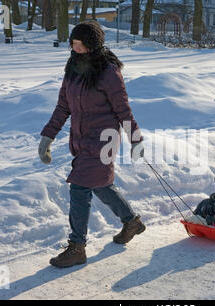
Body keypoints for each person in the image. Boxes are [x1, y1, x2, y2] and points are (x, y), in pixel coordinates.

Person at [38, 20, 146, 268]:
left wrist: (135, 139)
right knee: (100, 186)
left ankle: (77, 247)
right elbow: (63, 106)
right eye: (72, 44)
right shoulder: (73, 67)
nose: (74, 48)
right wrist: (48, 136)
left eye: (79, 44)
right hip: (82, 139)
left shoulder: (108, 71)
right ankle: (131, 221)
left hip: (104, 139)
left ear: (91, 44)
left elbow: (123, 110)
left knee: (79, 187)